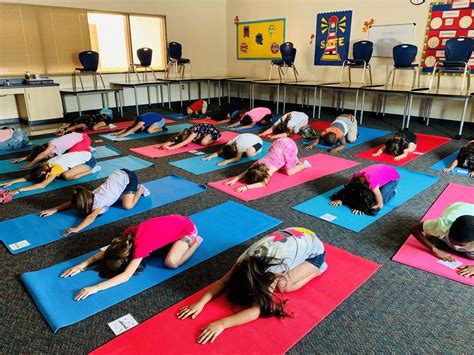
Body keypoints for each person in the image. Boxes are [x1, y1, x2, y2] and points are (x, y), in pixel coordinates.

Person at [177, 227, 327, 344]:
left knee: (283, 286)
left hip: (314, 251)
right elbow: (223, 281)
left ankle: (316, 270)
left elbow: (257, 309)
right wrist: (200, 302)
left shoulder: (273, 272)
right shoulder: (243, 262)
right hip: (296, 235)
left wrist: (222, 324)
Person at [61, 215, 202, 300]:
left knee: (171, 262)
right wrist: (82, 265)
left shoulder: (141, 246)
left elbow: (126, 276)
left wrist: (96, 288)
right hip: (175, 220)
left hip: (187, 229)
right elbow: (109, 251)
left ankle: (196, 242)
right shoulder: (126, 237)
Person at [39, 169, 150, 236]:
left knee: (127, 205)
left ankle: (140, 189)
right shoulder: (90, 195)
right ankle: (125, 191)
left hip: (129, 177)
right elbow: (71, 203)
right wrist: (54, 210)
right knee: (118, 199)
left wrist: (76, 228)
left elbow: (91, 217)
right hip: (118, 174)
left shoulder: (98, 202)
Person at [409, 202, 473, 277]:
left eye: (460, 245)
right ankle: (440, 237)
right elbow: (414, 229)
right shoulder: (442, 224)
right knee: (431, 239)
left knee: (472, 257)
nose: (456, 247)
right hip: (458, 207)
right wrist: (434, 249)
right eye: (451, 240)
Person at [224, 138, 310, 192]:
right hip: (280, 141)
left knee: (289, 172)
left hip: (290, 147)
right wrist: (235, 179)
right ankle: (293, 160)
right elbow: (246, 171)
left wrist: (247, 187)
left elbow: (263, 184)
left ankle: (303, 164)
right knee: (281, 165)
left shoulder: (270, 170)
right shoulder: (257, 163)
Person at [0, 151, 98, 195]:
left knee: (66, 176)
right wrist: (12, 182)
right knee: (59, 175)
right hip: (82, 154)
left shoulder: (56, 168)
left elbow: (42, 185)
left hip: (89, 161)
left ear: (45, 173)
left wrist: (17, 190)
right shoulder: (46, 165)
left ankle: (92, 170)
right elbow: (32, 176)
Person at [330, 164, 400, 215]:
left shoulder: (372, 184)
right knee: (356, 191)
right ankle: (381, 185)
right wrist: (341, 199)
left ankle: (393, 191)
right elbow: (348, 190)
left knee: (383, 200)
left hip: (392, 177)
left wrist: (362, 208)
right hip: (380, 171)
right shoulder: (355, 177)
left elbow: (380, 205)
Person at [11, 132, 91, 169]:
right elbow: (39, 152)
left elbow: (43, 154)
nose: (49, 156)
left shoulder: (52, 145)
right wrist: (25, 158)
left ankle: (87, 149)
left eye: (47, 155)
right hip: (77, 136)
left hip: (84, 139)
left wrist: (31, 164)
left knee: (71, 155)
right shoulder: (46, 146)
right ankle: (84, 147)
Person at [155, 123, 221, 150]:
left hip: (212, 131)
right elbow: (175, 139)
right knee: (196, 139)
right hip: (203, 131)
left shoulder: (193, 133)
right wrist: (162, 145)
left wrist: (170, 148)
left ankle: (215, 139)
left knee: (203, 142)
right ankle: (202, 136)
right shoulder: (184, 132)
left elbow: (183, 143)